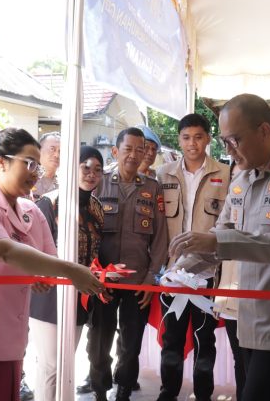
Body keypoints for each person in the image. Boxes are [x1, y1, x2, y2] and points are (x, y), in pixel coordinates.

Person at [168, 93, 270, 401]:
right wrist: (180, 270)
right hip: (250, 320)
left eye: (235, 140)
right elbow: (223, 233)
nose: (229, 150)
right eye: (224, 141)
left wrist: (217, 240)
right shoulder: (242, 178)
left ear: (264, 131)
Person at [0, 128, 103, 401]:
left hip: (13, 340)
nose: (34, 173)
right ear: (1, 162)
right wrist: (70, 270)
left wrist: (44, 273)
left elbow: (47, 257)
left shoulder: (31, 210)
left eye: (38, 168)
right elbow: (7, 251)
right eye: (28, 164)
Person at [87, 127, 168, 401]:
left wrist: (151, 278)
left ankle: (124, 388)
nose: (134, 155)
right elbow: (85, 230)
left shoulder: (152, 188)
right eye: (128, 149)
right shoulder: (98, 183)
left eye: (140, 149)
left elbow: (160, 239)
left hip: (138, 280)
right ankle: (99, 388)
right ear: (115, 151)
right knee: (98, 342)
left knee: (130, 343)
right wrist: (93, 274)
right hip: (103, 280)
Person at [156, 114, 230, 401]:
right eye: (186, 137)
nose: (192, 143)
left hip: (207, 271)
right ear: (179, 139)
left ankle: (203, 394)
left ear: (208, 139)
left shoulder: (225, 174)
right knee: (171, 339)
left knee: (204, 338)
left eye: (198, 137)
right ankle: (168, 393)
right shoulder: (164, 174)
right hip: (172, 271)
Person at [27, 146, 106, 401]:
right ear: (72, 168)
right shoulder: (49, 203)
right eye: (86, 167)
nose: (91, 174)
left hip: (80, 296)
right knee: (50, 365)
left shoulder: (96, 208)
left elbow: (95, 252)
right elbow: (35, 251)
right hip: (48, 295)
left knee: (66, 365)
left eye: (97, 169)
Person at [213, 161, 246, 401]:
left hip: (259, 299)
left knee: (255, 359)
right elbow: (217, 251)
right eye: (234, 177)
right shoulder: (229, 208)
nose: (238, 182)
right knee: (240, 359)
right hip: (231, 297)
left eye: (243, 176)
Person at [31, 131, 61, 200]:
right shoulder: (27, 178)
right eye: (52, 149)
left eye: (60, 151)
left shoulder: (64, 184)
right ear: (39, 150)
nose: (57, 155)